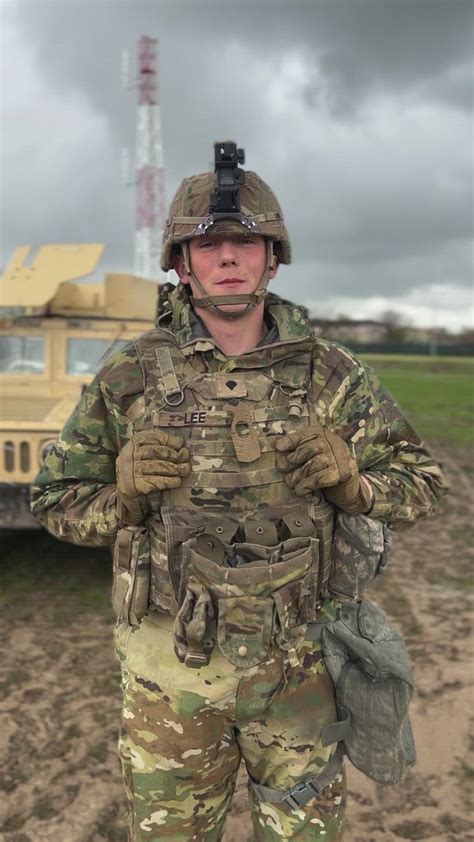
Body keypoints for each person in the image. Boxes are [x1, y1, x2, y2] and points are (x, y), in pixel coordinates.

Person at [31, 141, 447, 841]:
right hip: (172, 675)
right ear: (181, 265)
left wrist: (354, 484)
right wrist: (123, 496)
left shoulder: (334, 376)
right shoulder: (129, 377)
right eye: (208, 243)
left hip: (301, 669)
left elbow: (422, 487)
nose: (228, 257)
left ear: (272, 258)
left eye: (245, 243)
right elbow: (56, 501)